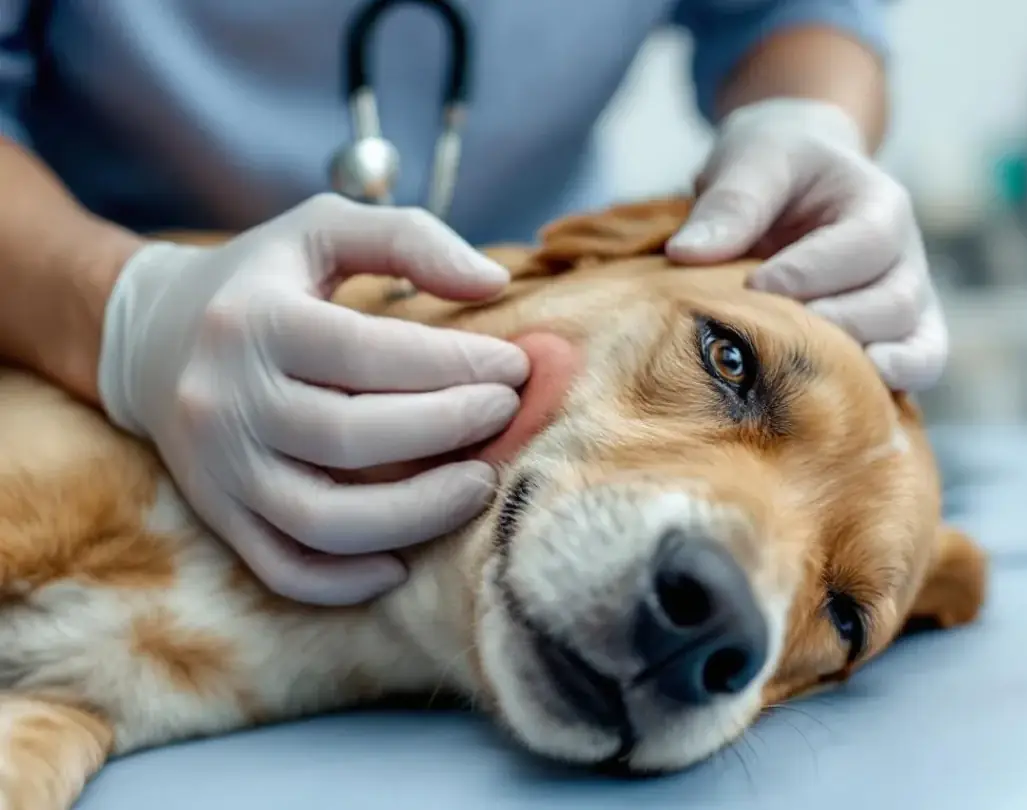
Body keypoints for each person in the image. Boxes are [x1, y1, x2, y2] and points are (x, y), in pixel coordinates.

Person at [0, 0, 945, 606]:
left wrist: (808, 118)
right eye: (729, 368)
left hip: (524, 333)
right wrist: (123, 315)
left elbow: (796, 11)